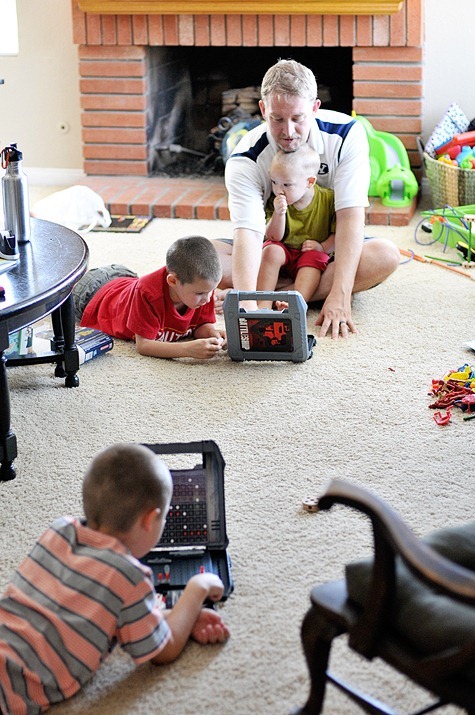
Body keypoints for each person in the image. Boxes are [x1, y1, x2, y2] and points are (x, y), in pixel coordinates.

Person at [0, 443, 230, 715]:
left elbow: (90, 611)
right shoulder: (128, 576)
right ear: (150, 520)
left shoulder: (59, 530)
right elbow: (163, 651)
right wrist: (197, 588)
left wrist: (182, 616)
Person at [215, 59, 400, 339]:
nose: (288, 132)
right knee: (202, 257)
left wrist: (340, 295)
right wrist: (249, 308)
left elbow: (350, 216)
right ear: (263, 110)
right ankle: (287, 292)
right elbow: (249, 235)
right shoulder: (245, 158)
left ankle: (284, 291)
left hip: (325, 249)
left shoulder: (347, 134)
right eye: (277, 119)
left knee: (385, 256)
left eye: (297, 118)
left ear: (315, 107)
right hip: (273, 248)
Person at [73, 235, 226, 360]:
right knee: (59, 297)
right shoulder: (148, 294)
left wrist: (212, 334)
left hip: (127, 280)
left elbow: (199, 326)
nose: (207, 299)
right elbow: (144, 345)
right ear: (173, 281)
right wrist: (187, 349)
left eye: (212, 291)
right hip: (92, 294)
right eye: (200, 294)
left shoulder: (202, 290)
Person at [257, 144, 335, 311]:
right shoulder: (276, 200)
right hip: (284, 254)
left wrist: (323, 246)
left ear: (309, 182)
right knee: (271, 250)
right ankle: (262, 302)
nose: (279, 190)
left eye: (287, 185)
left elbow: (340, 235)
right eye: (274, 182)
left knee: (314, 257)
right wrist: (279, 214)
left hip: (310, 257)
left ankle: (295, 304)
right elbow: (273, 237)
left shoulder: (328, 200)